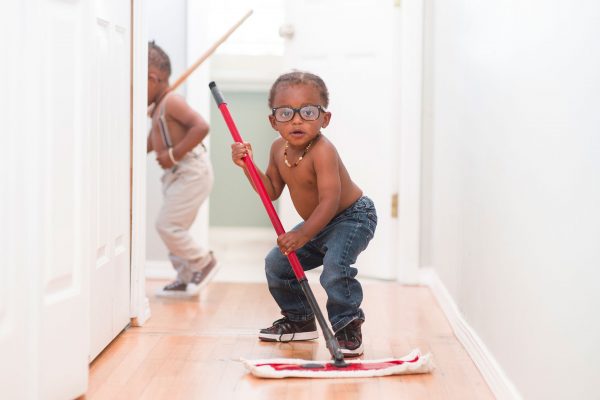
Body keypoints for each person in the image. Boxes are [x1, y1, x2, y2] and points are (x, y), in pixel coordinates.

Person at [230, 71, 377, 357]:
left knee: (335, 267)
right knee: (278, 264)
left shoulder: (323, 151)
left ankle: (347, 325)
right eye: (286, 113)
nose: (297, 120)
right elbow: (270, 190)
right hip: (317, 224)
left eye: (308, 112)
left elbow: (330, 201)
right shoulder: (277, 150)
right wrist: (247, 165)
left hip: (351, 217)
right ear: (273, 121)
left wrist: (302, 234)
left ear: (325, 119)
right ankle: (300, 319)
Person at [147, 41, 217, 298]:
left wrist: (172, 155)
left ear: (153, 79)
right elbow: (152, 141)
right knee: (175, 227)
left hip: (192, 171)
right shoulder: (157, 108)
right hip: (176, 174)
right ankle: (184, 275)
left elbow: (201, 126)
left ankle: (202, 261)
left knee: (167, 225)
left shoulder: (171, 102)